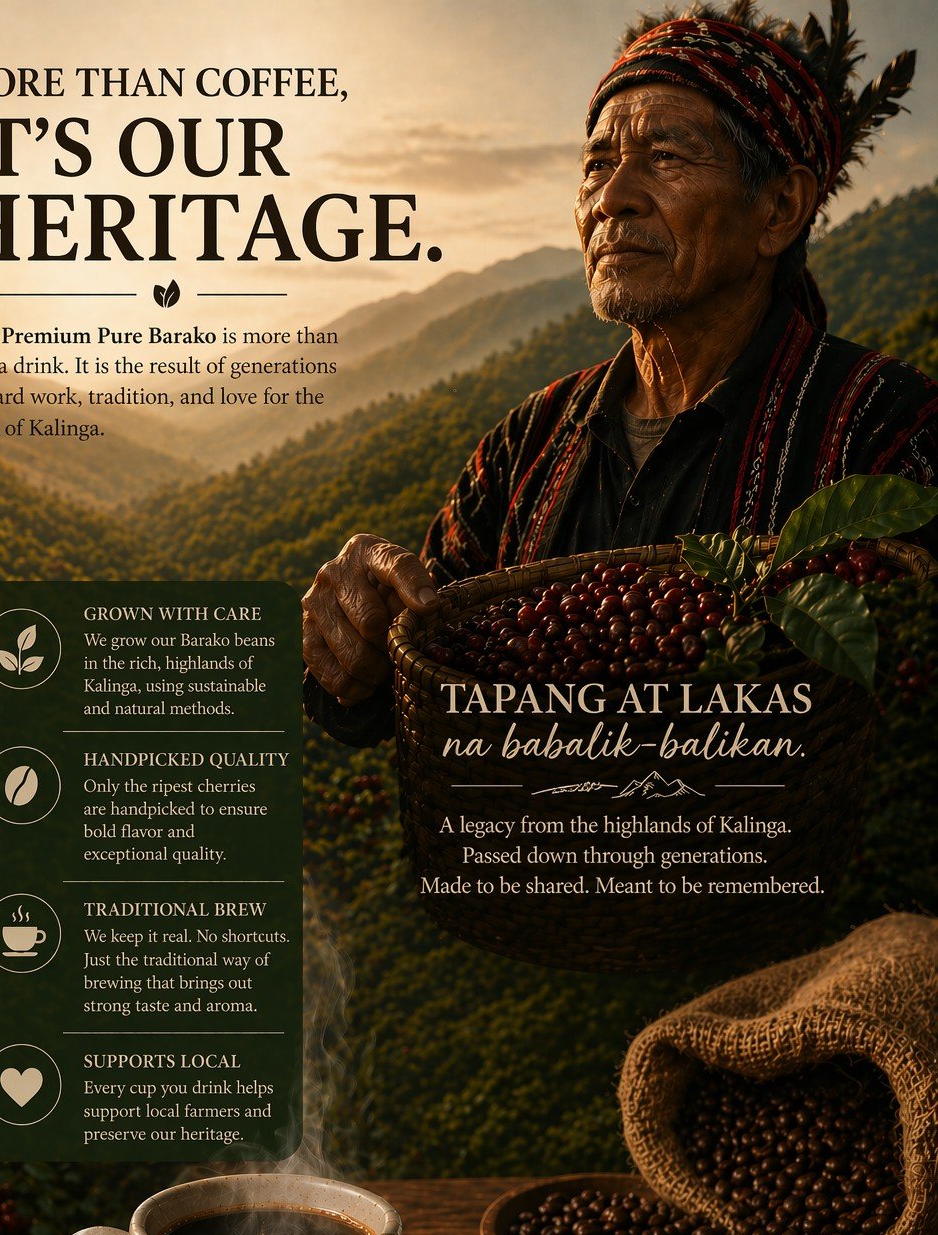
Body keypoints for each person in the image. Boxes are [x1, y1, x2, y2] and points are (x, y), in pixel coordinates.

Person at [302, 0, 937, 746]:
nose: (611, 198)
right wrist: (355, 637)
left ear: (780, 208)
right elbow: (418, 665)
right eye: (597, 164)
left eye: (667, 158)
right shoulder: (526, 444)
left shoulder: (885, 432)